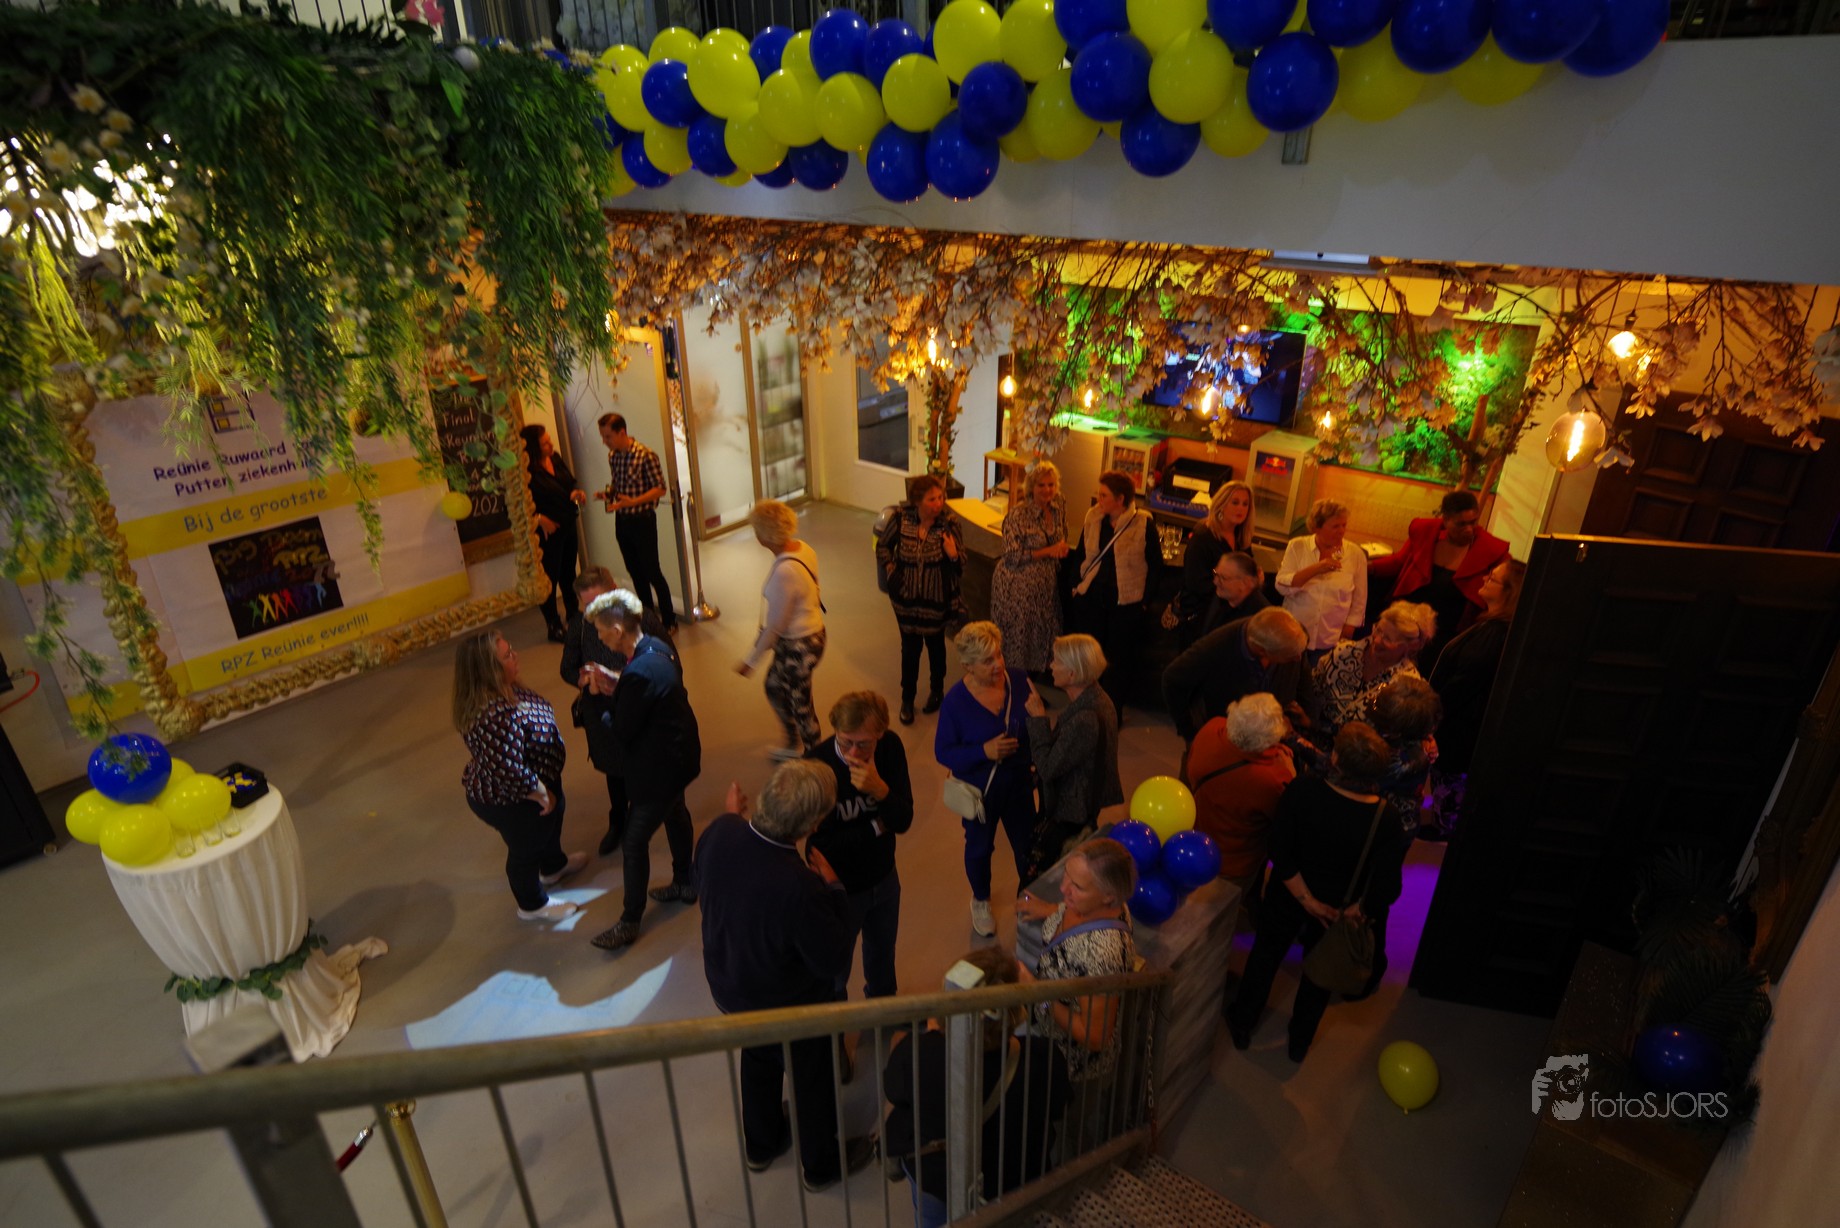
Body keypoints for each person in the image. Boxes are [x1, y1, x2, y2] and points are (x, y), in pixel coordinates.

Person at [692, 760, 878, 1191]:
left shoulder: (720, 832)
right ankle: (820, 1165)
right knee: (811, 1078)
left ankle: (761, 1144)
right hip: (788, 1008)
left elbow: (704, 878)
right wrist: (834, 887)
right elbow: (832, 959)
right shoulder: (799, 885)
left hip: (729, 987)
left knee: (757, 1059)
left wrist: (731, 818)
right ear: (811, 825)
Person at [1226, 722, 1408, 1063]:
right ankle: (1299, 1041)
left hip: (1288, 896)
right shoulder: (1386, 818)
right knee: (1319, 974)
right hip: (1338, 910)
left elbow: (1279, 849)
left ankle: (1242, 1022)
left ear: (1336, 759)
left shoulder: (1304, 790)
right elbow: (1388, 886)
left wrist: (1307, 900)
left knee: (1265, 957)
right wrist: (1357, 909)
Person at [883, 947, 1070, 1228]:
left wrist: (932, 1036)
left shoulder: (918, 1054)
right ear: (1015, 1010)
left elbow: (893, 1090)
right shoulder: (1044, 1057)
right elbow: (1058, 1107)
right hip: (1015, 1177)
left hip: (940, 1179)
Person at [587, 589, 701, 951]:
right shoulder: (656, 647)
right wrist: (618, 679)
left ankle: (629, 921)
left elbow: (622, 729)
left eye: (601, 631)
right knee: (676, 813)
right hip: (680, 755)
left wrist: (599, 699)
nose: (599, 638)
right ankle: (685, 882)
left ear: (617, 630)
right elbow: (648, 688)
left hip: (658, 770)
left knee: (634, 841)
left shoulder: (638, 673)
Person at [452, 630, 587, 923]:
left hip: (541, 780)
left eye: (511, 649)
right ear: (488, 669)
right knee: (526, 847)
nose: (515, 656)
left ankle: (553, 867)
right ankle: (532, 904)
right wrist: (540, 792)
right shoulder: (491, 714)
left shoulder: (508, 688)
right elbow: (508, 768)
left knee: (551, 822)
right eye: (507, 655)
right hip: (512, 798)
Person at [805, 691, 913, 1006]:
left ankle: (883, 1013)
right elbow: (822, 848)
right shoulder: (816, 765)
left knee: (882, 956)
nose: (853, 753)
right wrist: (877, 826)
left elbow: (903, 819)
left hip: (884, 877)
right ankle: (835, 1025)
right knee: (836, 970)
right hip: (841, 890)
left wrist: (880, 789)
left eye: (864, 744)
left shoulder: (891, 747)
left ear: (880, 734)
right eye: (845, 742)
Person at [936, 621, 1037, 938]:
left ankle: (1031, 896)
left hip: (1019, 784)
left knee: (1028, 845)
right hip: (981, 792)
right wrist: (984, 750)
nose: (998, 665)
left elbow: (1035, 725)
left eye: (999, 655)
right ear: (967, 665)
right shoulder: (955, 703)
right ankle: (980, 900)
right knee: (980, 849)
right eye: (987, 660)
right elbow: (944, 752)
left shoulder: (1018, 680)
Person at [1014, 837, 1138, 1085]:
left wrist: (1037, 992)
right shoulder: (1095, 905)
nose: (1063, 889)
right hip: (1046, 1018)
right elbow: (1075, 911)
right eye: (1066, 876)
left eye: (1078, 887)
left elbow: (1095, 1037)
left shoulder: (1102, 957)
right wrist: (1053, 909)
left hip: (1065, 1059)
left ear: (1108, 896)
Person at [1352, 677, 1443, 1000]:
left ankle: (1368, 969)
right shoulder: (1418, 739)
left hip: (1387, 832)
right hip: (1390, 826)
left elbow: (1349, 772)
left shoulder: (1400, 760)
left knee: (1373, 903)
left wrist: (1298, 741)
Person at [1426, 557, 1526, 837]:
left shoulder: (1495, 633)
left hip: (1460, 728)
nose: (1484, 579)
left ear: (1509, 592)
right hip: (1457, 723)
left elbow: (1464, 682)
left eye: (1492, 578)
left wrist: (1431, 712)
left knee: (1451, 784)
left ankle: (1445, 829)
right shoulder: (1491, 626)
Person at [1021, 634, 1122, 883]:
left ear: (1073, 673)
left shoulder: (1085, 719)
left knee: (1045, 882)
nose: (1050, 666)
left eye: (1056, 661)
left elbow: (1048, 767)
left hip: (1070, 812)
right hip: (1083, 804)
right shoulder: (1099, 698)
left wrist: (1038, 719)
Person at [1368, 490, 1510, 664]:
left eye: (1473, 522)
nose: (1469, 529)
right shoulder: (1426, 532)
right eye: (1461, 524)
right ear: (1446, 520)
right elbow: (1399, 562)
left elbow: (1510, 584)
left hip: (1447, 633)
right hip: (1406, 623)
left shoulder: (1491, 549)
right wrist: (1365, 567)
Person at [1188, 693, 1297, 906]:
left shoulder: (1211, 729)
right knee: (1222, 912)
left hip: (1197, 840)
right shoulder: (1273, 779)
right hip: (1235, 865)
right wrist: (1290, 773)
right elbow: (1284, 818)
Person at [1065, 471, 1164, 704]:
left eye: (1104, 495)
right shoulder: (1093, 517)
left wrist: (1144, 603)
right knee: (1090, 655)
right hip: (1092, 597)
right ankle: (1087, 704)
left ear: (1120, 499)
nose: (1098, 499)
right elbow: (1081, 554)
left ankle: (1112, 708)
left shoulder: (1143, 523)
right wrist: (1075, 587)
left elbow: (1155, 566)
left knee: (1119, 660)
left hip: (1125, 602)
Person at [737, 499, 826, 759]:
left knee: (801, 705)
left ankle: (815, 759)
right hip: (811, 635)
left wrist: (750, 661)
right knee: (775, 687)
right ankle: (793, 743)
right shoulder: (804, 548)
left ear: (765, 536)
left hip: (800, 644)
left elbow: (775, 627)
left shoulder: (784, 573)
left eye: (757, 530)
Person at [876, 475, 965, 725]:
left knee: (936, 648)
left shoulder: (949, 524)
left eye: (940, 498)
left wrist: (953, 554)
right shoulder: (901, 519)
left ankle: (937, 691)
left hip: (936, 600)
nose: (938, 504)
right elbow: (882, 547)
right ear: (917, 501)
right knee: (910, 650)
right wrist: (891, 570)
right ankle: (908, 698)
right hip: (905, 601)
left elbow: (961, 565)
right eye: (932, 499)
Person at [559, 566, 629, 857]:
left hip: (636, 702)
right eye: (587, 604)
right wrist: (583, 678)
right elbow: (567, 667)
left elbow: (667, 658)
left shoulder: (638, 617)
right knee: (613, 767)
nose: (594, 610)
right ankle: (619, 820)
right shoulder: (580, 625)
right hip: (600, 709)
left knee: (646, 761)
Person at [1162, 606, 1308, 745]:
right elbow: (1172, 679)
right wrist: (1190, 732)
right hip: (1227, 740)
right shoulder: (1216, 648)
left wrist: (1308, 720)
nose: (1298, 659)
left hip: (1273, 739)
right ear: (1262, 651)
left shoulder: (1287, 638)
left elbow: (1304, 681)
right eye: (1290, 657)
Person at [1302, 601, 1436, 745]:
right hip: (1311, 738)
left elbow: (1397, 741)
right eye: (1378, 630)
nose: (1377, 640)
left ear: (1411, 646)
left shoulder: (1408, 686)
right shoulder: (1344, 652)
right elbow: (1311, 691)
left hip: (1357, 755)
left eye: (1387, 639)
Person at [596, 412, 676, 631]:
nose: (604, 441)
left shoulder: (645, 455)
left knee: (652, 572)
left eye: (608, 436)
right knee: (635, 573)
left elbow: (660, 489)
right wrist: (607, 495)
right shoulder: (613, 456)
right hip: (622, 521)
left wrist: (633, 501)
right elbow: (618, 485)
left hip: (643, 521)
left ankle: (669, 620)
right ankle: (648, 618)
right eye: (603, 436)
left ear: (622, 432)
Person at [990, 460, 1069, 680]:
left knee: (1041, 633)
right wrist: (1049, 551)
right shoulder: (1018, 515)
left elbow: (1062, 535)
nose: (1047, 490)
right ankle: (1013, 683)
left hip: (1045, 584)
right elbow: (1012, 555)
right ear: (1031, 487)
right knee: (1019, 637)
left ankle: (1031, 680)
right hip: (1017, 585)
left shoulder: (1059, 505)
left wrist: (1060, 548)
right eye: (1041, 485)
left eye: (1051, 485)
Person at [521, 424, 588, 643]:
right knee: (548, 579)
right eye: (545, 443)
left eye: (549, 440)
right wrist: (540, 519)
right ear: (533, 448)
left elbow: (569, 482)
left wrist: (575, 492)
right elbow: (516, 509)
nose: (551, 445)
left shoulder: (555, 458)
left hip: (568, 524)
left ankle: (573, 613)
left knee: (568, 573)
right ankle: (553, 624)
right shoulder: (525, 472)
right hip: (547, 534)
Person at [1276, 498, 1367, 658]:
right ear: (1317, 527)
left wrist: (1349, 628)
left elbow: (1360, 598)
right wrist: (1317, 568)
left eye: (1344, 525)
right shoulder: (1297, 546)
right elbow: (1282, 586)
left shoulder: (1355, 554)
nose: (1341, 531)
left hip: (1331, 637)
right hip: (1293, 632)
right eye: (1335, 526)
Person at [1172, 480, 1254, 647]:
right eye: (1235, 502)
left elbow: (1248, 570)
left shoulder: (1242, 538)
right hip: (1200, 618)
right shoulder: (1203, 536)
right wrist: (1234, 591)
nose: (1241, 508)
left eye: (1245, 504)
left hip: (1227, 617)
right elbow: (1195, 583)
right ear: (1221, 504)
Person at [1201, 550, 1269, 635]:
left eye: (1223, 578)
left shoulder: (1260, 619)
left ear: (1245, 583)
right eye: (1216, 574)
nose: (1215, 582)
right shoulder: (1221, 598)